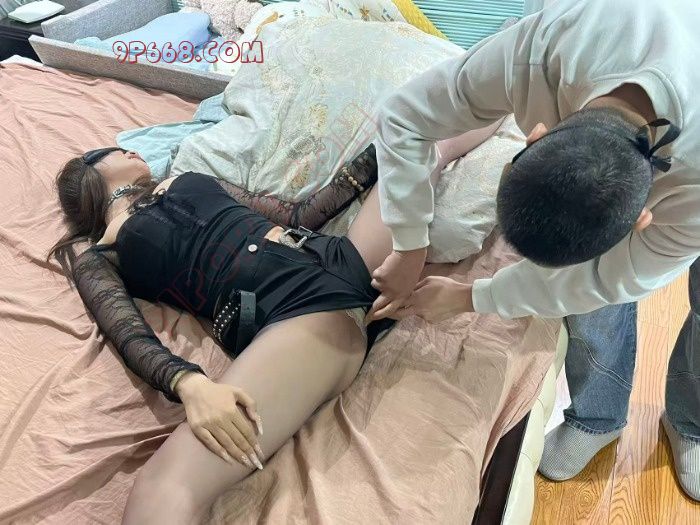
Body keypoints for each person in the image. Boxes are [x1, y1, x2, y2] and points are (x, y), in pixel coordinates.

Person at [47, 125, 491, 523]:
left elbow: (297, 216)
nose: (130, 150)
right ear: (90, 173)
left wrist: (378, 152)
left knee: (424, 144)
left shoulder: (185, 178)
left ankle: (515, 104)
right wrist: (188, 383)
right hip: (300, 316)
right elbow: (127, 332)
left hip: (341, 257)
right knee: (162, 489)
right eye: (115, 151)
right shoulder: (100, 256)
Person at [367, 0, 700, 501]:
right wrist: (409, 243)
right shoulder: (541, 49)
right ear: (533, 135)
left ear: (642, 219)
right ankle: (598, 416)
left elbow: (603, 281)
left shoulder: (692, 200)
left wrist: (472, 297)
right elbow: (404, 117)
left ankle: (692, 423)